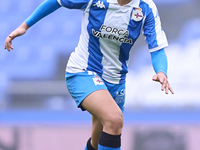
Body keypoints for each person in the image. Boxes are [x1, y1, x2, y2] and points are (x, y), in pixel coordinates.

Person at [4, 0, 174, 149]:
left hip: (116, 81)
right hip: (83, 71)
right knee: (115, 120)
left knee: (98, 142)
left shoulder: (146, 8)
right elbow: (57, 1)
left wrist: (161, 71)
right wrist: (24, 26)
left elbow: (157, 47)